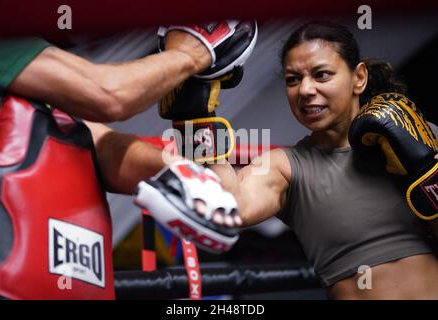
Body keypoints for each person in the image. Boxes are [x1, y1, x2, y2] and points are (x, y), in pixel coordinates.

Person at [164, 21, 438, 299]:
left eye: (321, 75)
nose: (305, 90)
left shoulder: (420, 134)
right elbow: (227, 206)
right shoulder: (288, 167)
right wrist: (194, 120)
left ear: (359, 78)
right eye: (293, 79)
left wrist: (425, 170)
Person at [0, 21, 255, 299]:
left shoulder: (33, 87)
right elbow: (108, 95)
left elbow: (101, 144)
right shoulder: (4, 45)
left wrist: (178, 170)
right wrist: (192, 53)